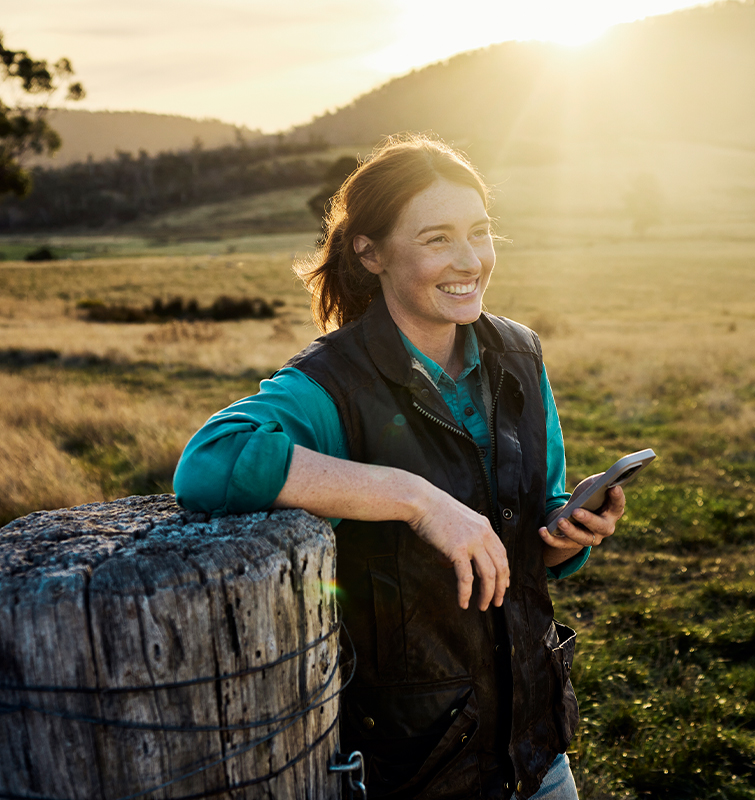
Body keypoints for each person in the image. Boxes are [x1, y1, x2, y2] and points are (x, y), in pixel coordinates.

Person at [174, 133, 625, 800]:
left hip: (534, 747)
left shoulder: (521, 356)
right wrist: (415, 499)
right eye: (437, 238)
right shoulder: (332, 386)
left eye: (480, 231)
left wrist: (563, 537)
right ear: (371, 251)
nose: (470, 259)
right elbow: (209, 463)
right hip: (414, 765)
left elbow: (536, 523)